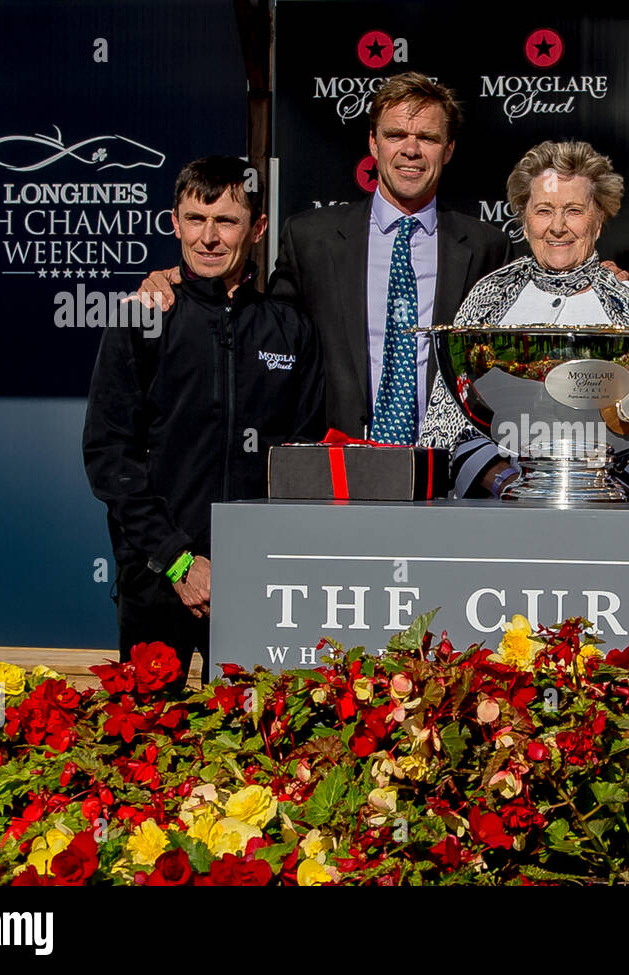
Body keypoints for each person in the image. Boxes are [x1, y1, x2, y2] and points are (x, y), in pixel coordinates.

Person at [136, 72, 513, 442]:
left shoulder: (486, 248)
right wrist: (188, 283)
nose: (410, 150)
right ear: (373, 143)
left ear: (448, 149)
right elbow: (266, 337)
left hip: (448, 469)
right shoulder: (310, 238)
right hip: (335, 472)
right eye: (395, 134)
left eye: (427, 138)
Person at [84, 156, 325, 688]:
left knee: (257, 759)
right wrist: (178, 563)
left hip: (255, 584)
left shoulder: (291, 331)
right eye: (196, 219)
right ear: (174, 223)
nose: (209, 237)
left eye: (227, 221)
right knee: (146, 748)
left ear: (257, 228)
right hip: (156, 580)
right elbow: (109, 459)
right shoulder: (139, 318)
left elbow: (302, 465)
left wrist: (252, 563)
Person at [418, 140, 629, 496]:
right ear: (524, 218)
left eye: (574, 211)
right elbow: (451, 422)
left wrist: (593, 488)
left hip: (606, 511)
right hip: (499, 511)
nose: (558, 227)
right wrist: (508, 482)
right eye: (544, 210)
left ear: (599, 221)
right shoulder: (488, 296)